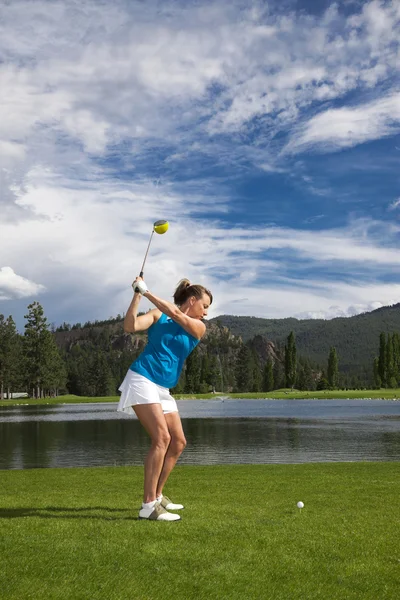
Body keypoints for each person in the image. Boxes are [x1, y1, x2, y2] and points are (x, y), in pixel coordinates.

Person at [118, 276, 213, 521]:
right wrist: (137, 295)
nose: (206, 312)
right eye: (204, 306)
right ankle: (148, 505)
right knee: (162, 438)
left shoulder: (197, 327)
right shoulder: (158, 316)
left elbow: (175, 313)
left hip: (162, 388)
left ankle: (158, 496)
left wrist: (148, 291)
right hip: (142, 378)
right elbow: (130, 326)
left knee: (178, 442)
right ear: (192, 300)